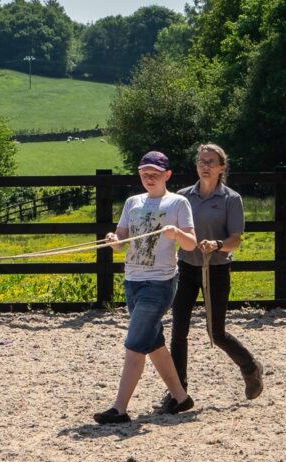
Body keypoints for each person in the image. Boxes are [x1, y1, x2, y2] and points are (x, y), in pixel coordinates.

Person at [93, 151, 198, 424]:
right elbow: (121, 240)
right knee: (152, 342)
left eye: (154, 173)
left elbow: (191, 244)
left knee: (135, 343)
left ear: (167, 175)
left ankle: (119, 408)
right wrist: (113, 239)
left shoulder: (178, 203)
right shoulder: (132, 202)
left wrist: (178, 234)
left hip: (160, 282)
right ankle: (180, 397)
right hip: (133, 281)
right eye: (144, 174)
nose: (149, 178)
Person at [164, 143, 264, 411]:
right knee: (178, 330)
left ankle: (250, 367)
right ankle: (178, 390)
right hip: (186, 267)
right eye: (201, 161)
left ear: (222, 167)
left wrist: (218, 245)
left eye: (211, 161)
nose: (205, 165)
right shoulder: (183, 198)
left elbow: (235, 240)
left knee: (216, 332)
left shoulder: (231, 199)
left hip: (216, 269)